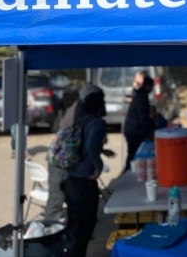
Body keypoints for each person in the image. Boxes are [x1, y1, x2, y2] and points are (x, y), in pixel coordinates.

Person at [63, 87, 107, 257]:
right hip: (84, 179)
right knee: (86, 222)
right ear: (99, 105)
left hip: (71, 176)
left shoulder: (80, 119)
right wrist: (99, 166)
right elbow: (91, 145)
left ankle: (71, 252)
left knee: (74, 222)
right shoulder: (98, 122)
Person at [43, 83, 90, 222]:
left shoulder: (74, 110)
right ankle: (51, 227)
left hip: (61, 157)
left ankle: (67, 227)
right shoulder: (79, 112)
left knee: (63, 196)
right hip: (60, 159)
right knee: (58, 196)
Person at [123, 75, 156, 172]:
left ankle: (129, 169)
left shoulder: (139, 95)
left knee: (132, 152)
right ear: (148, 86)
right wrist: (149, 130)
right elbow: (142, 117)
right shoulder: (142, 97)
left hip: (131, 128)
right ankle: (129, 171)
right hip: (135, 130)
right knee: (133, 153)